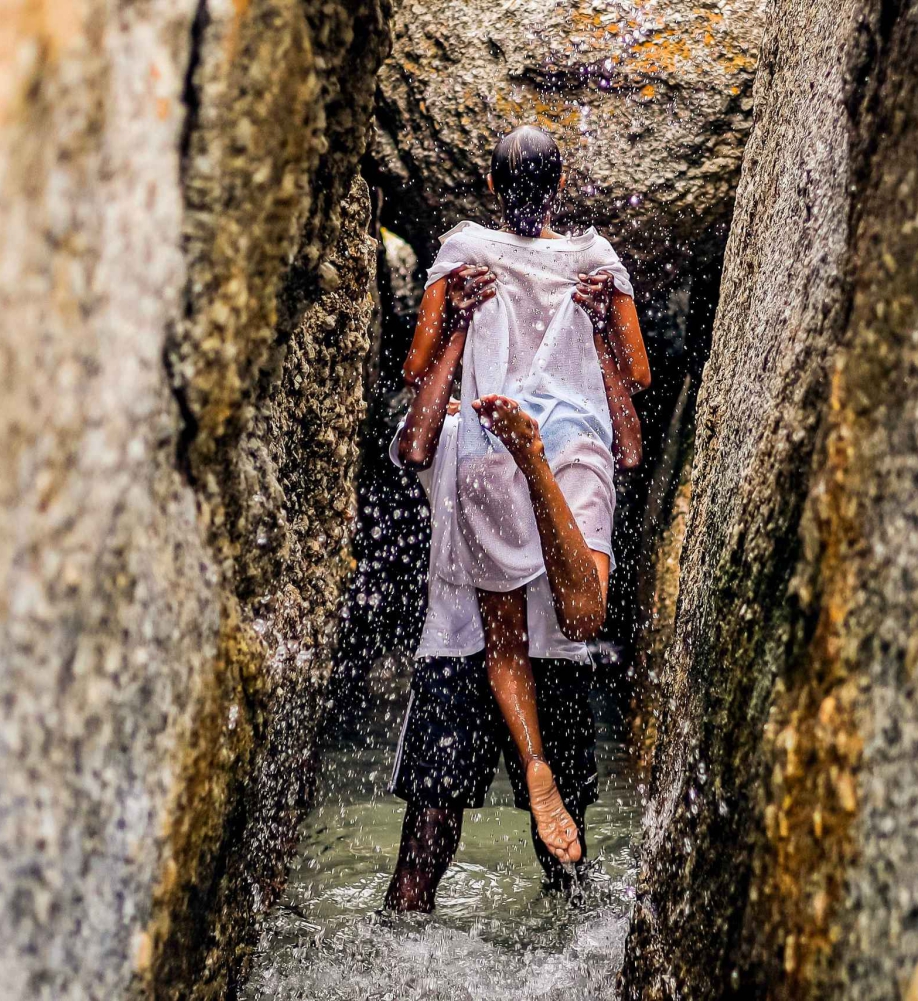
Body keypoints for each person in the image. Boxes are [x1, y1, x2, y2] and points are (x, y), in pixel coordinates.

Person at [383, 125, 650, 911]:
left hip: (462, 640)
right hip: (560, 637)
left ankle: (396, 974)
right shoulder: (597, 261)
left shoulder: (466, 252)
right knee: (565, 864)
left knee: (425, 847)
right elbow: (634, 383)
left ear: (492, 188)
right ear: (560, 184)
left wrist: (461, 319)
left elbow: (414, 381)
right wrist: (598, 325)